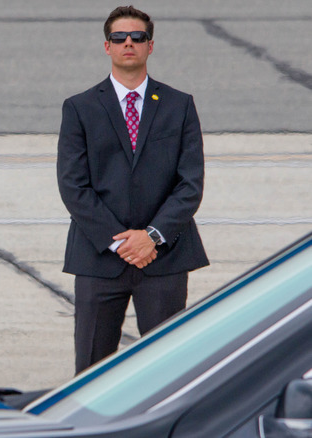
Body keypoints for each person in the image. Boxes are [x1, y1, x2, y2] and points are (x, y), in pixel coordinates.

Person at [57, 5, 209, 374]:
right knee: (93, 368)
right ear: (106, 47)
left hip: (165, 258)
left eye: (137, 37)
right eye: (119, 38)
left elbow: (190, 184)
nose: (129, 43)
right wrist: (121, 241)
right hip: (99, 258)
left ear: (150, 46)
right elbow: (73, 184)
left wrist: (152, 237)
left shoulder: (179, 105)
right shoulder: (80, 108)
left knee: (167, 369)